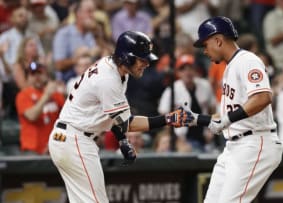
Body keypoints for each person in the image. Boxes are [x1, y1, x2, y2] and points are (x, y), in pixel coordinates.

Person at [48, 31, 191, 202]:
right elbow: (128, 123)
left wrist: (122, 140)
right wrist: (168, 119)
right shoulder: (108, 79)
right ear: (126, 58)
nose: (146, 64)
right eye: (141, 59)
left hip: (70, 138)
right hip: (75, 139)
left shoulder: (116, 69)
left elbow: (113, 116)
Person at [184, 16, 283, 203]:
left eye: (205, 45)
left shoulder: (247, 60)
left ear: (218, 40)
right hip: (234, 146)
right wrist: (198, 118)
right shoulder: (231, 67)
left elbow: (263, 97)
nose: (204, 51)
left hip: (254, 142)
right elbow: (225, 116)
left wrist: (227, 120)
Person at [16, 62, 65, 154]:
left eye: (39, 73)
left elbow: (66, 120)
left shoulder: (57, 95)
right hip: (32, 149)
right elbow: (32, 116)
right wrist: (46, 95)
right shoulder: (23, 95)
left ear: (46, 75)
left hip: (54, 147)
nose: (37, 77)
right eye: (33, 74)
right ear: (28, 78)